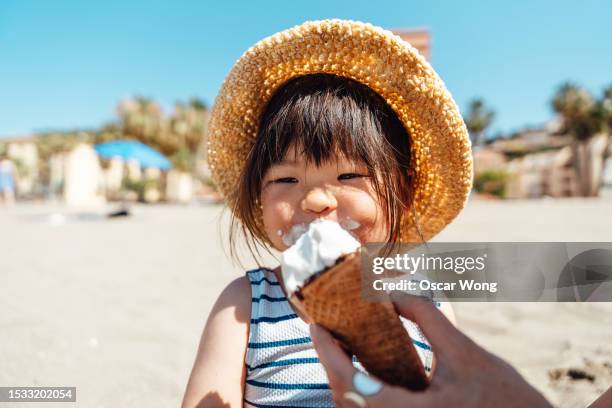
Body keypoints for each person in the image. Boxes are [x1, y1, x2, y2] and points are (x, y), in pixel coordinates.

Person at [182, 19, 472, 407]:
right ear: (258, 196)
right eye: (286, 179)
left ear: (402, 192)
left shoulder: (427, 303)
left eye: (349, 174)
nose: (316, 201)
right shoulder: (246, 304)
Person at [310, 293, 554, 408]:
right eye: (286, 185)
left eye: (349, 186)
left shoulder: (425, 302)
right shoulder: (268, 302)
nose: (317, 200)